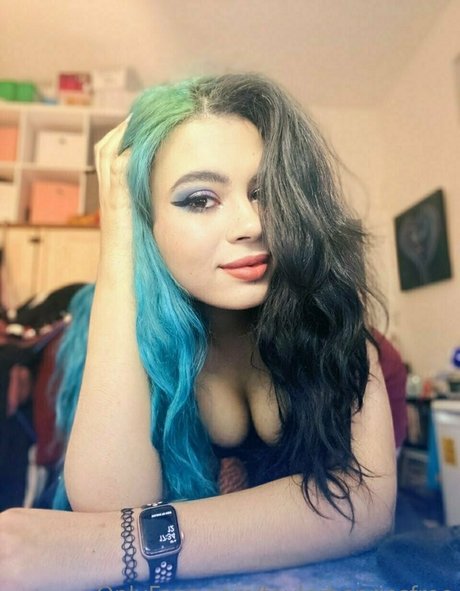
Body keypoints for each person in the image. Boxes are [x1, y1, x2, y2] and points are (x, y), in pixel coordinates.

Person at [0, 73, 396, 591]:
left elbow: (364, 503)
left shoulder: (332, 320)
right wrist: (119, 225)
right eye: (200, 199)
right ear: (148, 222)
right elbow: (110, 504)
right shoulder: (123, 335)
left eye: (266, 192)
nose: (251, 224)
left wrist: (119, 547)